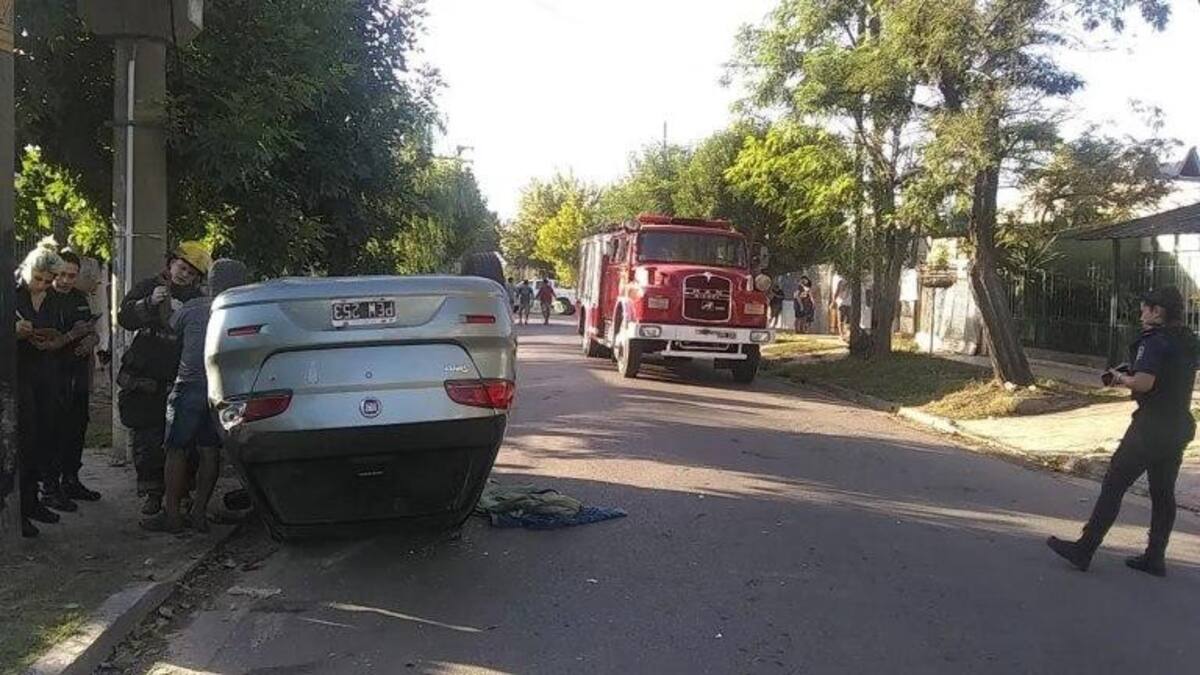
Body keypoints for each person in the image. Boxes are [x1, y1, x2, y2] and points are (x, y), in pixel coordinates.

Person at [1047, 287, 1198, 577]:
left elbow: (1144, 383)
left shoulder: (1154, 341)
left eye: (1145, 308)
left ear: (1157, 312)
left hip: (1151, 426)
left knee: (1114, 482)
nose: (1141, 313)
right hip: (1178, 425)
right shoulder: (1188, 340)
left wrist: (1119, 378)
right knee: (1163, 492)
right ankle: (1155, 556)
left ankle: (1085, 547)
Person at [142, 259, 248, 534]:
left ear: (208, 282)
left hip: (188, 386)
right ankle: (200, 513)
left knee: (176, 450)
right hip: (222, 391)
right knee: (210, 451)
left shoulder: (193, 308)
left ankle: (173, 515)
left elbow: (170, 331)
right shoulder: (242, 312)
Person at [117, 241, 210, 516]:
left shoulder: (198, 302)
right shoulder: (149, 287)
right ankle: (152, 494)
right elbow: (124, 317)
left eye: (191, 273)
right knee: (147, 439)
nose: (184, 275)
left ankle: (180, 493)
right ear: (171, 263)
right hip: (145, 376)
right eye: (182, 268)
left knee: (183, 442)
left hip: (178, 376)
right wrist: (148, 303)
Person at [14, 240, 71, 536]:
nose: (42, 285)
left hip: (45, 371)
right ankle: (18, 509)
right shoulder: (10, 293)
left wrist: (56, 340)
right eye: (38, 279)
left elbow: (59, 332)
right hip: (17, 374)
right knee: (24, 437)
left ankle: (33, 499)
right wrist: (13, 332)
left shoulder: (52, 298)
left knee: (44, 434)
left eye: (48, 282)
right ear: (26, 270)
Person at [53, 249, 103, 502]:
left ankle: (71, 479)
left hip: (78, 372)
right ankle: (51, 485)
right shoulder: (44, 298)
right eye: (61, 274)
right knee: (54, 430)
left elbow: (93, 331)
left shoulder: (80, 297)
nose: (65, 280)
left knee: (77, 427)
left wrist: (91, 340)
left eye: (71, 276)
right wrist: (72, 336)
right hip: (53, 374)